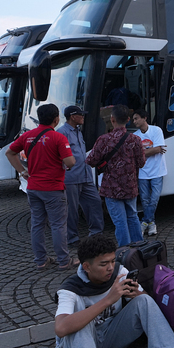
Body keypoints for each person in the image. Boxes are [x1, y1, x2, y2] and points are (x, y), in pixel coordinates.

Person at [5, 103, 78, 270]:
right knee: (58, 224)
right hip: (53, 188)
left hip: (33, 187)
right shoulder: (59, 137)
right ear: (56, 119)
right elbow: (70, 162)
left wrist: (22, 171)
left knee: (37, 224)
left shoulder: (27, 136)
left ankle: (41, 260)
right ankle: (64, 261)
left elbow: (9, 152)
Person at [87, 105, 146, 247]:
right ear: (128, 120)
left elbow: (90, 161)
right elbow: (141, 163)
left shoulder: (103, 139)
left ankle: (124, 250)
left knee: (119, 221)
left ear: (112, 119)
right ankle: (140, 247)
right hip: (130, 186)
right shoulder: (136, 140)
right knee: (132, 216)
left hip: (111, 188)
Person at [57, 105, 104, 246]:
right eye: (80, 115)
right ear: (72, 116)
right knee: (71, 210)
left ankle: (96, 233)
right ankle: (72, 238)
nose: (83, 117)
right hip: (71, 178)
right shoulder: (62, 132)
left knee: (95, 203)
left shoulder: (78, 131)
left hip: (86, 175)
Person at [132, 109, 166, 237]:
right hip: (142, 172)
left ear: (144, 118)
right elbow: (156, 149)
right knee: (145, 199)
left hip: (157, 170)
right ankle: (151, 223)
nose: (134, 121)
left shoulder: (156, 130)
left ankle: (145, 222)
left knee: (154, 198)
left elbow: (158, 149)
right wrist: (153, 150)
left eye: (136, 118)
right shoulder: (135, 136)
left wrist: (147, 151)